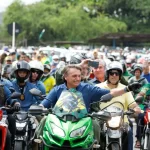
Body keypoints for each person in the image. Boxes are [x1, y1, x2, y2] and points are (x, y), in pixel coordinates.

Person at [38, 63, 141, 143]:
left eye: (79, 76)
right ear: (65, 77)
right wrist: (39, 107)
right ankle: (37, 142)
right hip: (59, 122)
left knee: (95, 123)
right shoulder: (57, 90)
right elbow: (45, 103)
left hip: (82, 120)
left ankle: (95, 145)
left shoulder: (87, 88)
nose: (78, 78)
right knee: (45, 120)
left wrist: (127, 89)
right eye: (74, 76)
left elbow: (111, 93)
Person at [96, 61, 141, 150]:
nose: (114, 75)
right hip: (102, 121)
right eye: (112, 73)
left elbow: (132, 104)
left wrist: (136, 108)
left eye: (117, 73)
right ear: (108, 74)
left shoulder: (124, 89)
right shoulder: (98, 87)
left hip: (121, 122)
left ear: (120, 75)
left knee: (129, 131)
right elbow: (91, 103)